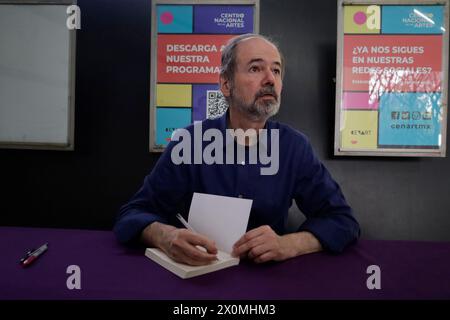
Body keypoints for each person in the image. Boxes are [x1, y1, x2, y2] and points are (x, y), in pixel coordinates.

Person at [114, 33, 360, 266]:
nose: (270, 79)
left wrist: (291, 244)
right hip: (199, 280)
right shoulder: (188, 142)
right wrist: (165, 236)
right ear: (225, 84)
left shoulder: (294, 147)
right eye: (255, 68)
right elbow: (133, 214)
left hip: (269, 285)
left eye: (276, 70)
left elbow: (342, 220)